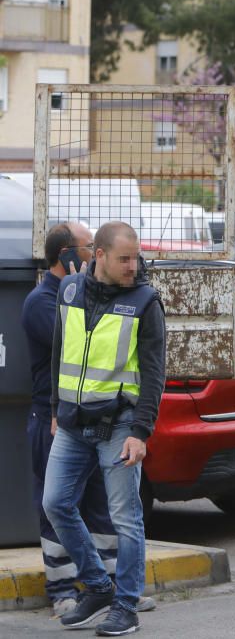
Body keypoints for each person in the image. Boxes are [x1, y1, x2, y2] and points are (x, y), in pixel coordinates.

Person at [20, 222, 155, 620]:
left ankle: (124, 603)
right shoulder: (64, 293)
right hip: (69, 421)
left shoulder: (144, 301)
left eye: (136, 258)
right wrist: (60, 411)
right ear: (96, 255)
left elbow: (153, 372)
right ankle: (87, 587)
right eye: (124, 259)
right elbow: (61, 350)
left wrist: (140, 431)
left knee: (120, 515)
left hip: (117, 423)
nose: (133, 266)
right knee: (56, 503)